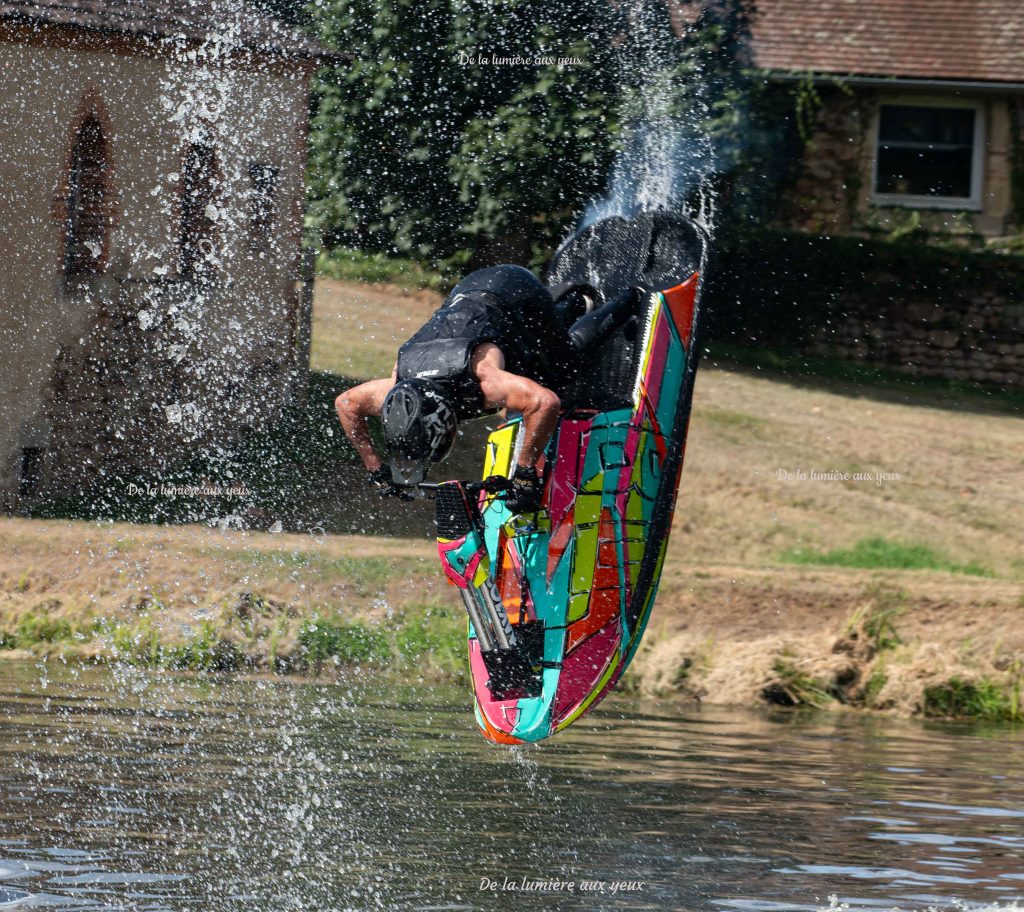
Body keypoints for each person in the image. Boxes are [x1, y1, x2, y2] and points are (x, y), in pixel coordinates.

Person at [335, 263, 636, 514]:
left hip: (513, 288)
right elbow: (346, 404)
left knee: (564, 369)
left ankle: (630, 299)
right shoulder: (395, 387)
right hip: (472, 296)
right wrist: (376, 469)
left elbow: (546, 403)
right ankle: (567, 307)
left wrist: (525, 473)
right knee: (527, 363)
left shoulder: (484, 382)